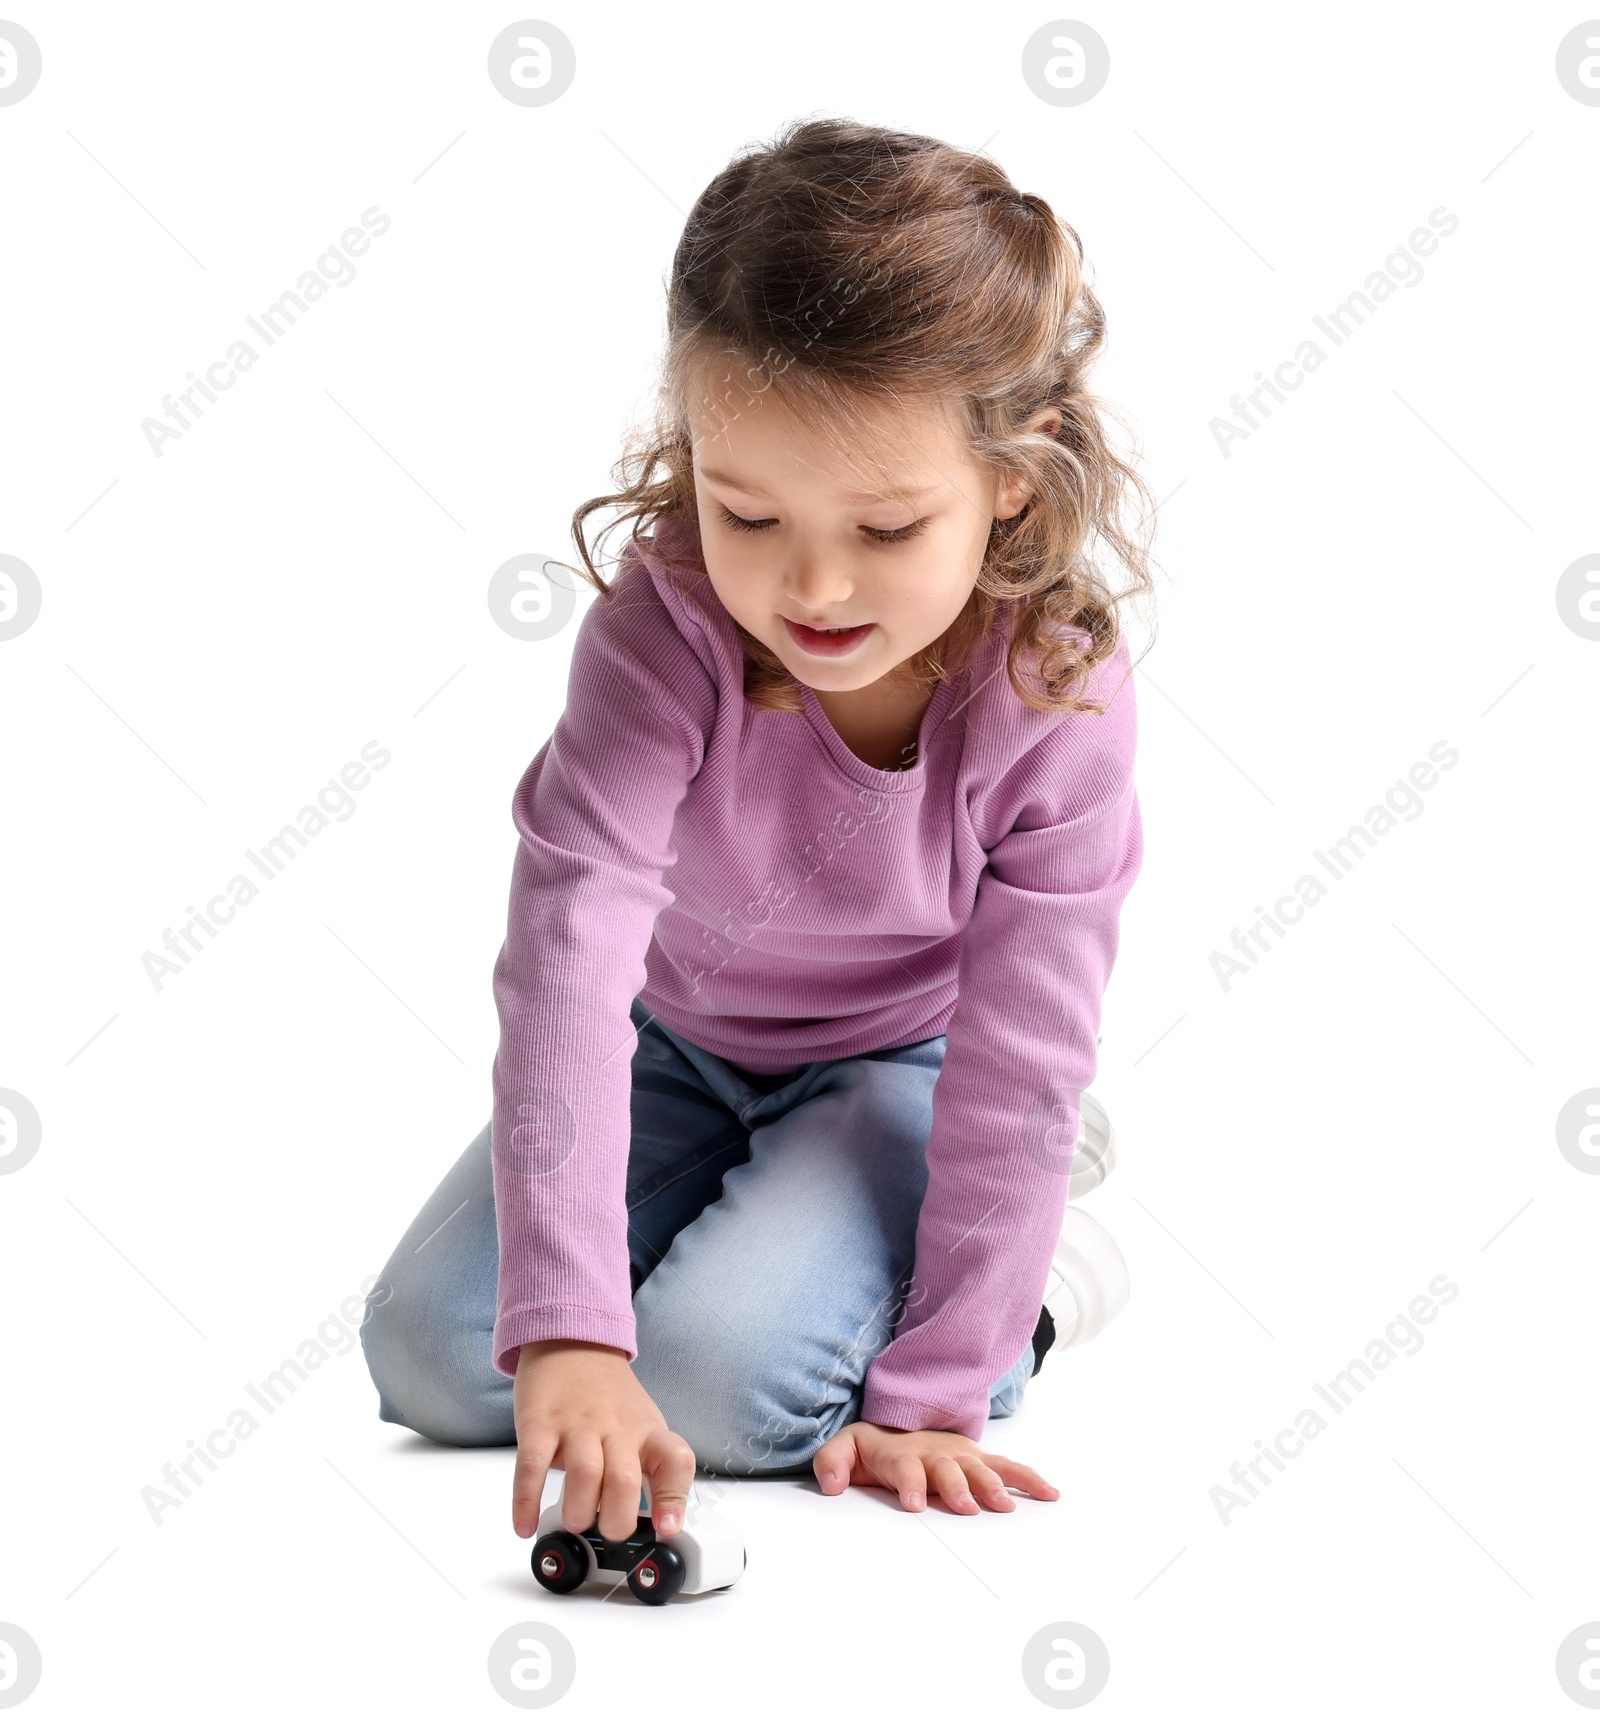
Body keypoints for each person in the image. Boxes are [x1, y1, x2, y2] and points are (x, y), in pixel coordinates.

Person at [361, 115, 1157, 1554]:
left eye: (891, 527)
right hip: (678, 1046)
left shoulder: (1056, 696)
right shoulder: (663, 632)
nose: (813, 583)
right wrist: (571, 1325)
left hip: (904, 1065)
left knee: (719, 1391)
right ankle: (726, 1239)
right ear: (696, 457)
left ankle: (1037, 1271)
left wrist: (938, 1381)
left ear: (1012, 483)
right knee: (433, 1355)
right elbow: (567, 964)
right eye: (747, 509)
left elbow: (1023, 1050)